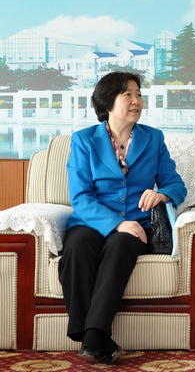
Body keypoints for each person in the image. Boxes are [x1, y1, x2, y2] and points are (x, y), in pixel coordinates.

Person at [59, 72, 187, 364]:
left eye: (138, 94)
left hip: (137, 225)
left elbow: (176, 185)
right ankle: (98, 338)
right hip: (90, 222)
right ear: (107, 102)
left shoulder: (153, 138)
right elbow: (80, 197)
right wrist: (116, 223)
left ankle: (92, 335)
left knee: (121, 244)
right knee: (77, 247)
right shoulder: (84, 140)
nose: (136, 101)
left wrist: (161, 194)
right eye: (127, 94)